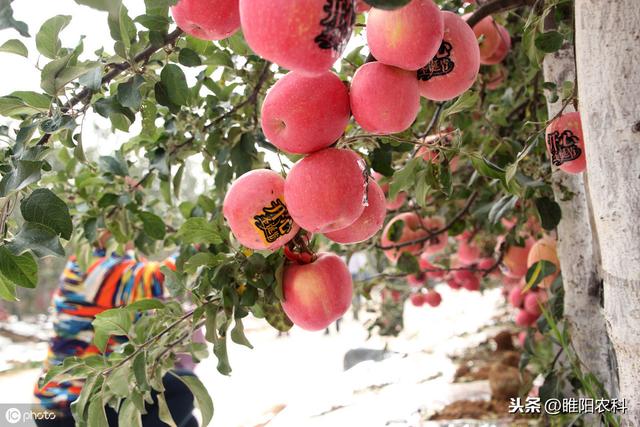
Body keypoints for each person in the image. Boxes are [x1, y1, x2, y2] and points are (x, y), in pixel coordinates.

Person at [33, 237, 199, 427]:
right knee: (182, 389)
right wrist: (202, 244)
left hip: (100, 394)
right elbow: (158, 279)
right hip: (67, 405)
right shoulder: (89, 266)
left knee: (186, 421)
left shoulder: (119, 264)